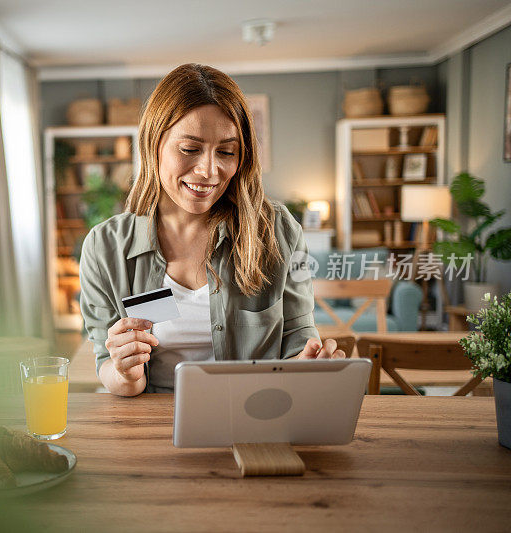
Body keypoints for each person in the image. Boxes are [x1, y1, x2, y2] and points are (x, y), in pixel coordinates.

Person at [79, 63, 344, 397]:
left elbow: (298, 331)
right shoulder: (105, 248)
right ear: (153, 143)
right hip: (155, 424)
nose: (208, 170)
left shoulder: (277, 230)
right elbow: (107, 363)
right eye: (189, 149)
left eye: (226, 152)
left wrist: (308, 363)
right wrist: (124, 372)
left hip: (256, 414)